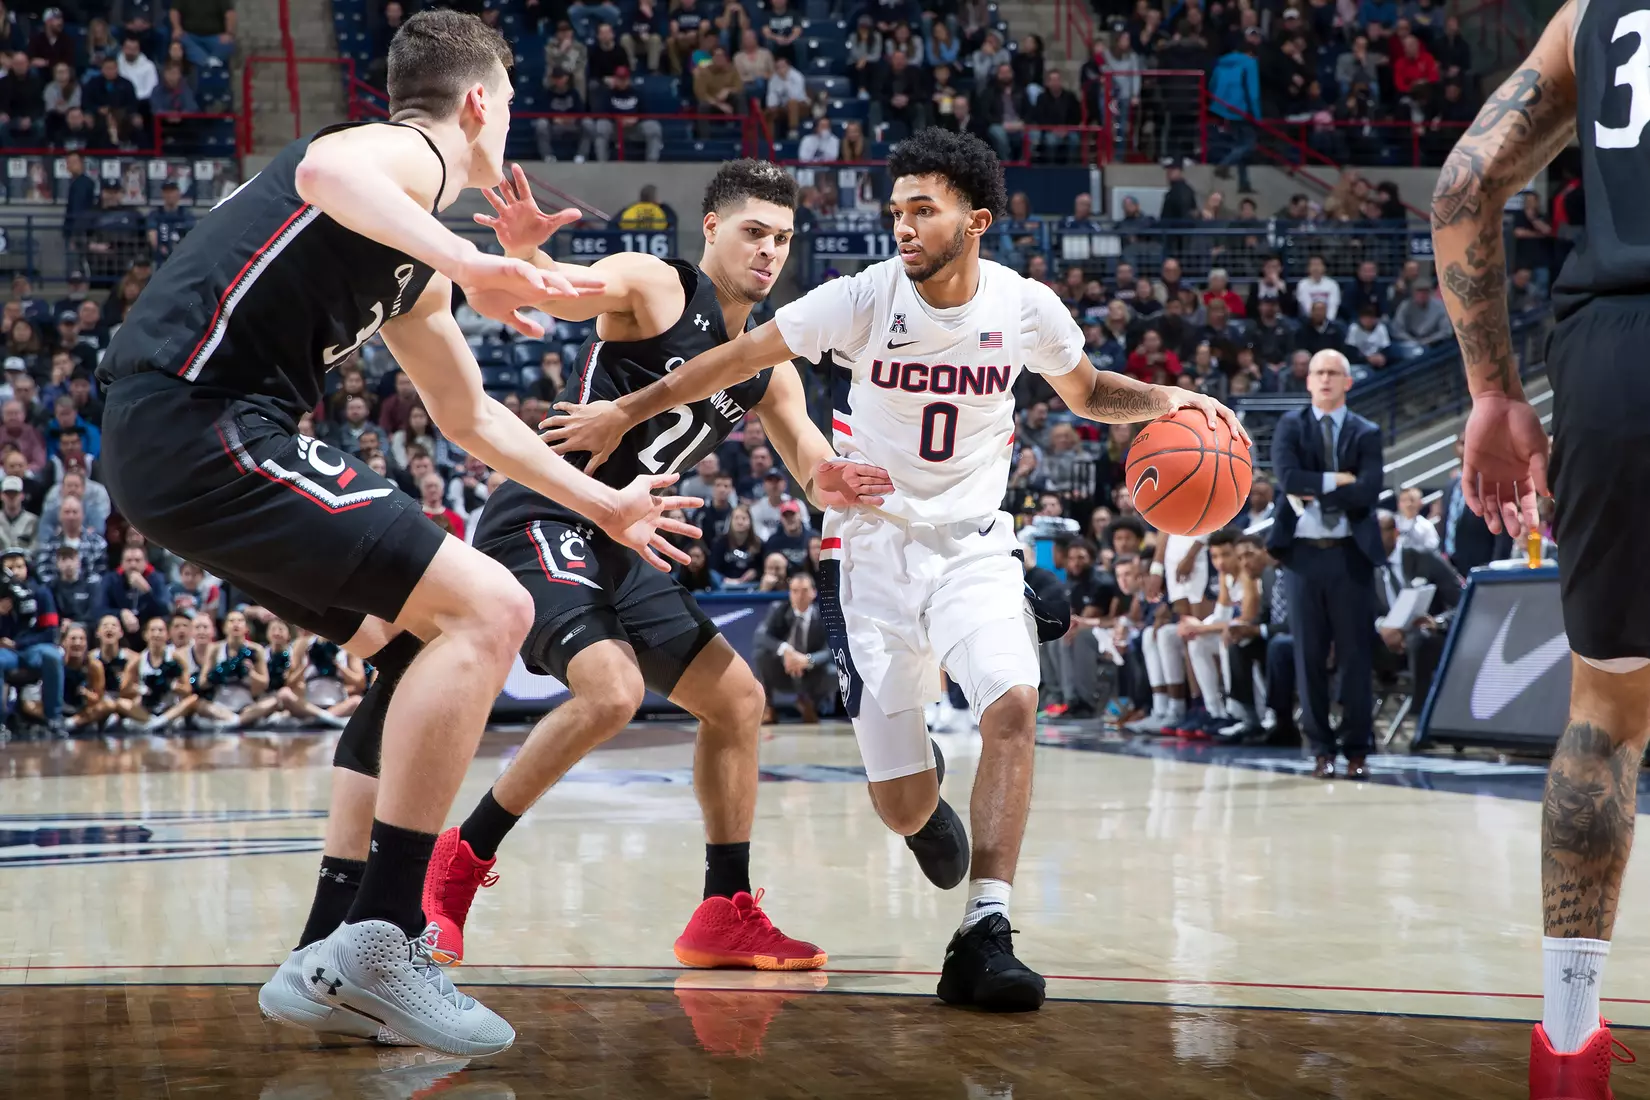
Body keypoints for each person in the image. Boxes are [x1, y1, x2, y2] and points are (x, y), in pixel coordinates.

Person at [92, 10, 694, 1058]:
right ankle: (384, 938)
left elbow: (470, 419)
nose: (510, 121)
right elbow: (328, 173)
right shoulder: (400, 157)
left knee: (419, 645)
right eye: (507, 102)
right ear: (475, 104)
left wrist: (606, 504)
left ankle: (328, 947)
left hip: (184, 440)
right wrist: (470, 256)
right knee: (494, 606)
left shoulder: (409, 256)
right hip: (202, 418)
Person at [542, 127, 1245, 1012]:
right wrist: (627, 408)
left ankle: (987, 931)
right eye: (897, 212)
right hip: (869, 554)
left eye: (924, 210)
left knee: (1012, 701)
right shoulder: (864, 298)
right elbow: (736, 359)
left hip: (975, 543)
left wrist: (1168, 399)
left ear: (976, 220)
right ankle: (929, 809)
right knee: (905, 808)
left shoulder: (1024, 306)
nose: (904, 227)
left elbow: (1089, 390)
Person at [421, 160, 892, 973]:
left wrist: (838, 480)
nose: (769, 251)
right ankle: (455, 864)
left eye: (782, 238)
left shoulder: (769, 360)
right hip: (549, 513)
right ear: (710, 229)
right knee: (613, 692)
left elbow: (810, 459)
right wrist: (531, 259)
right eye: (753, 232)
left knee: (739, 701)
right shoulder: (657, 284)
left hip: (624, 542)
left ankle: (724, 909)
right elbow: (567, 289)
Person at [1429, 2, 1650, 1088]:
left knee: (1605, 713)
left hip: (1617, 360)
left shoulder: (1595, 15)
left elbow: (1466, 183)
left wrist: (1491, 394)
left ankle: (1569, 1043)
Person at [1265, 349, 1383, 780]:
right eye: (1318, 372)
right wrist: (1340, 481)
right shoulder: (1291, 425)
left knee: (1356, 657)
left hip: (1351, 555)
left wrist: (1320, 488)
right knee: (1307, 656)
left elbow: (1370, 489)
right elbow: (1288, 479)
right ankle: (1320, 749)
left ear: (1348, 382)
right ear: (1308, 381)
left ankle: (1357, 749)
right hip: (1303, 557)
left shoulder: (1367, 431)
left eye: (1333, 372)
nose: (1326, 379)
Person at [0, 546, 64, 734]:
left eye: (20, 566)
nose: (16, 571)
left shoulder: (41, 593)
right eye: (10, 567)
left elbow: (50, 633)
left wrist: (19, 644)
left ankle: (54, 717)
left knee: (52, 656)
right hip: (4, 651)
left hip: (34, 647)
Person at [754, 570, 833, 721]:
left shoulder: (824, 615)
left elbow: (830, 649)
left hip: (810, 670)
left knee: (832, 672)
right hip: (783, 668)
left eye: (804, 590)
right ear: (789, 593)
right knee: (760, 654)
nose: (800, 595)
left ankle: (810, 704)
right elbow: (761, 635)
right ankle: (768, 707)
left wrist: (808, 660)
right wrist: (786, 650)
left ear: (814, 592)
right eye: (795, 591)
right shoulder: (779, 609)